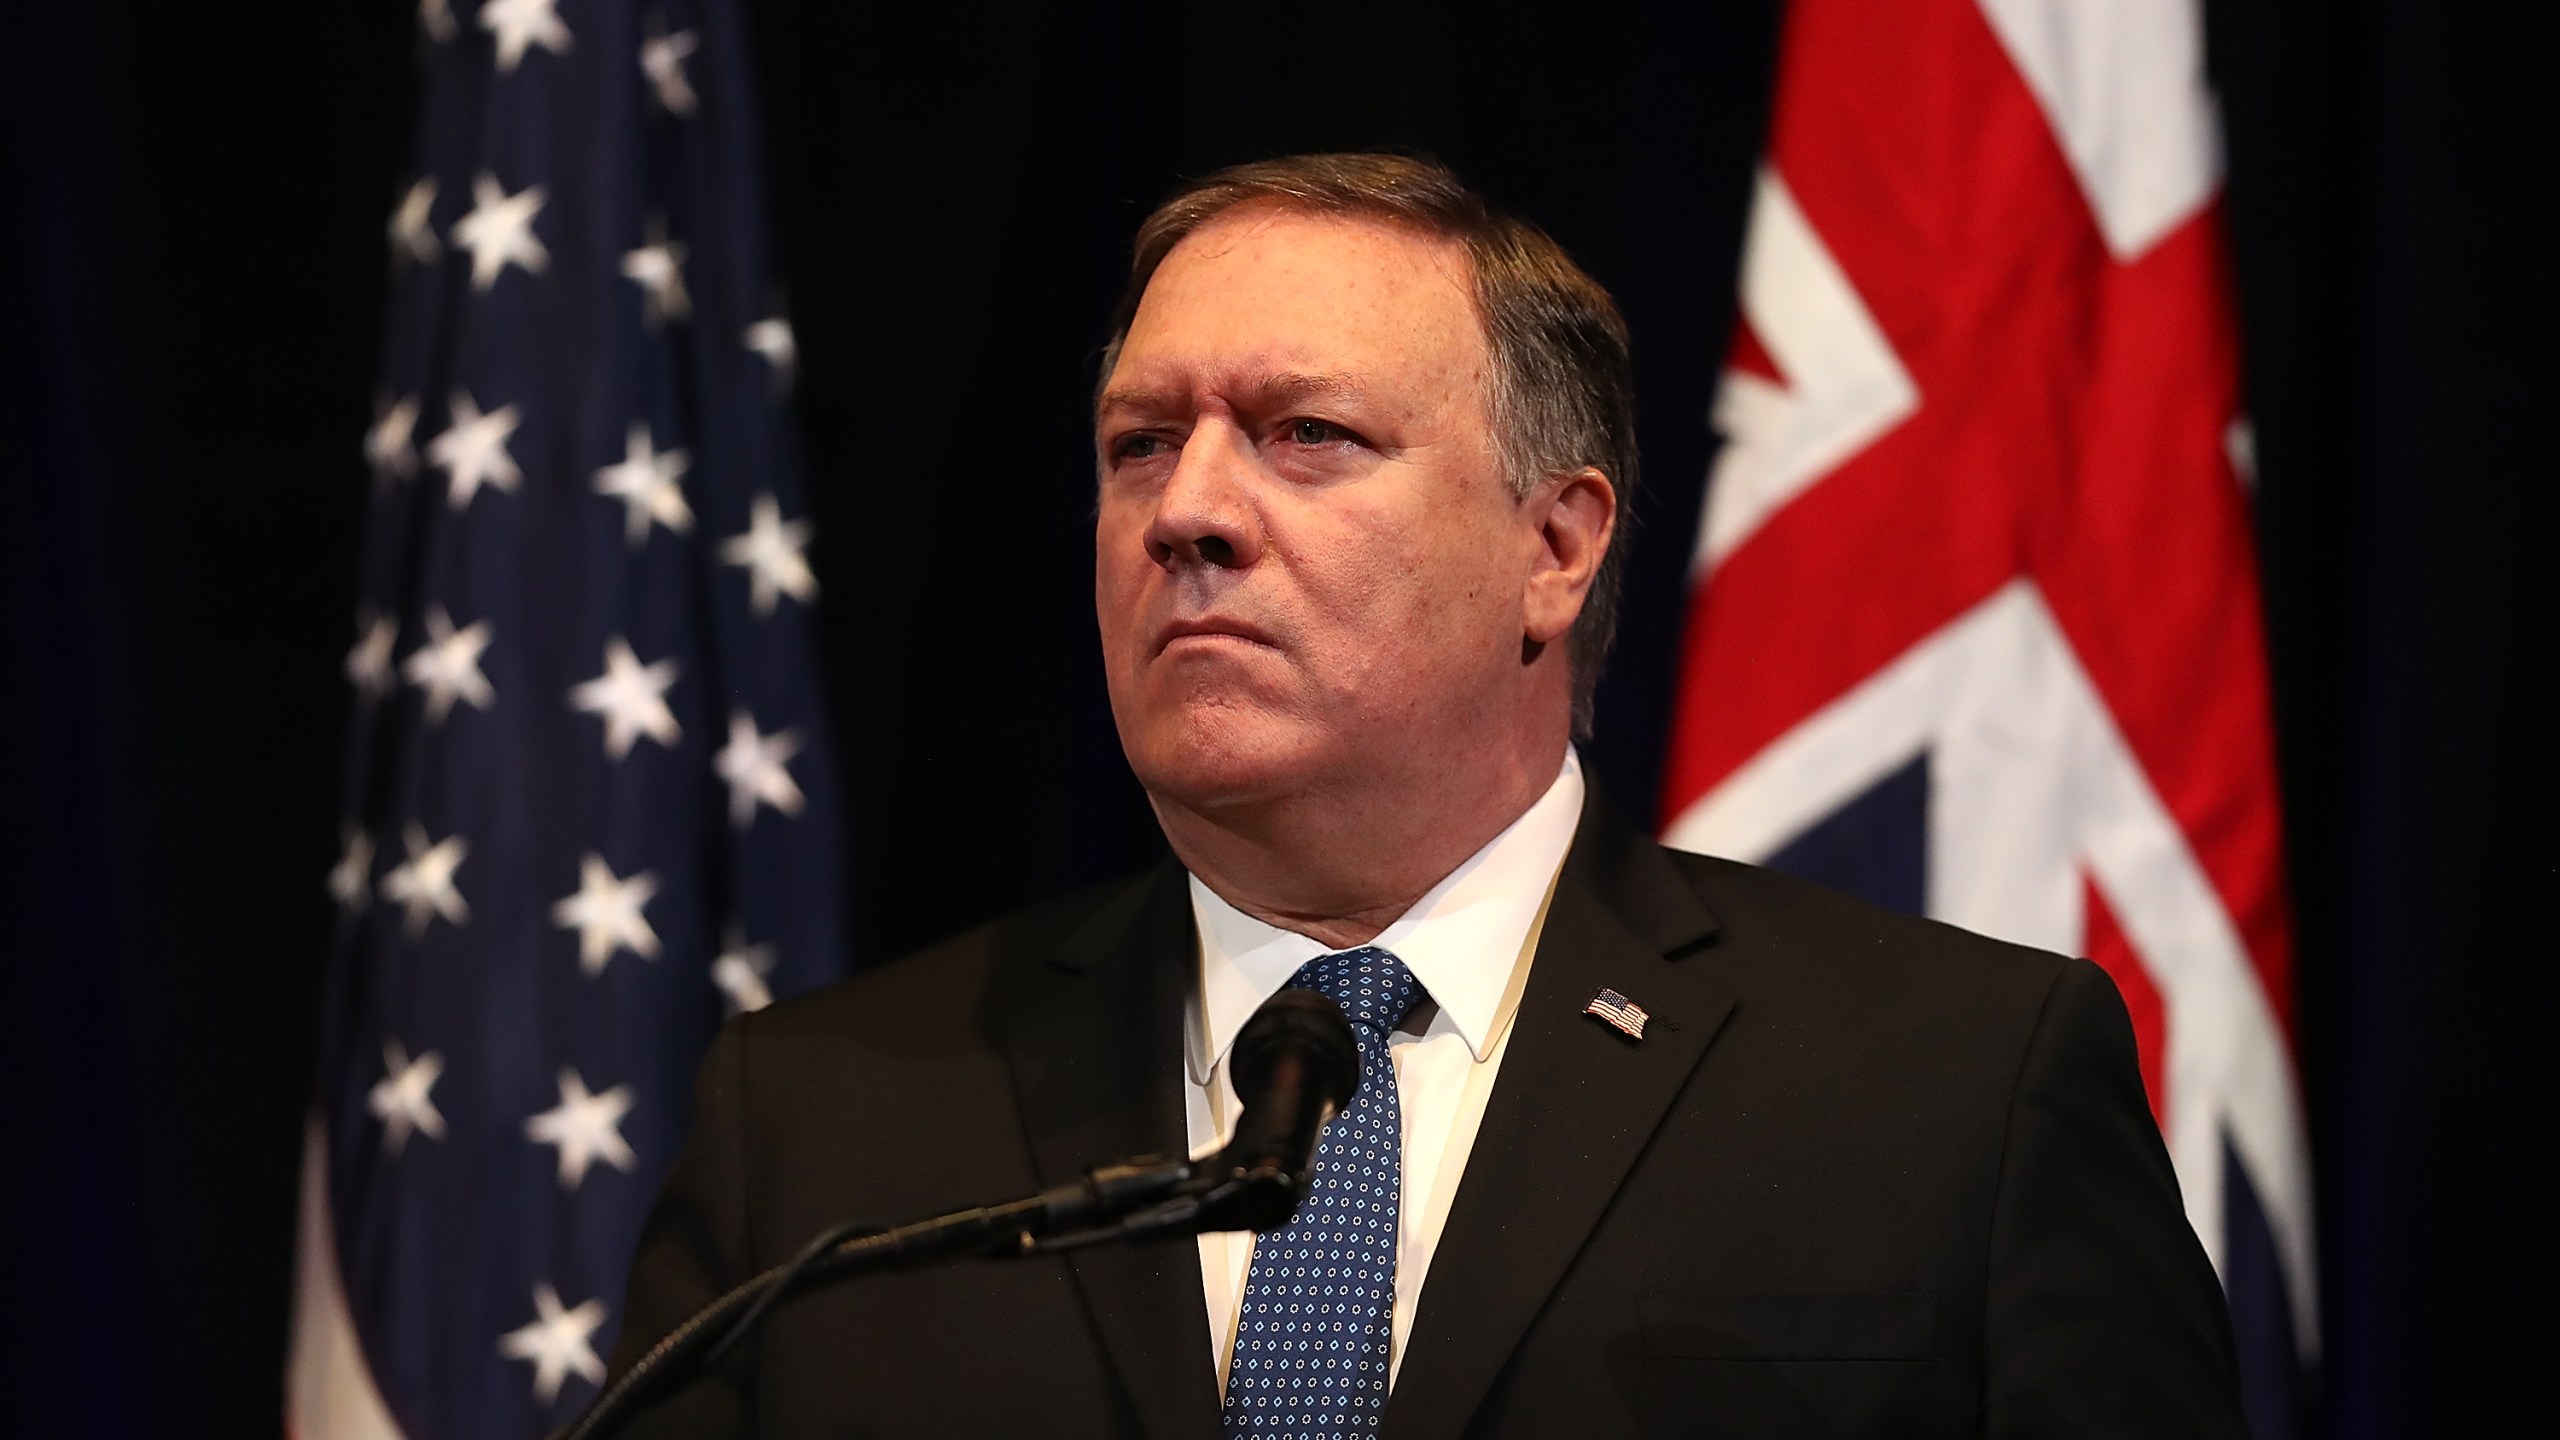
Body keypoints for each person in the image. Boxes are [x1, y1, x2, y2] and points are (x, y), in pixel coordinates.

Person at [608, 153, 2249, 1438]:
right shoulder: (823, 1135)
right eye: (1138, 443)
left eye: (1304, 434)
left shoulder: (1956, 1094)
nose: (1188, 511)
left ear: (1556, 545)